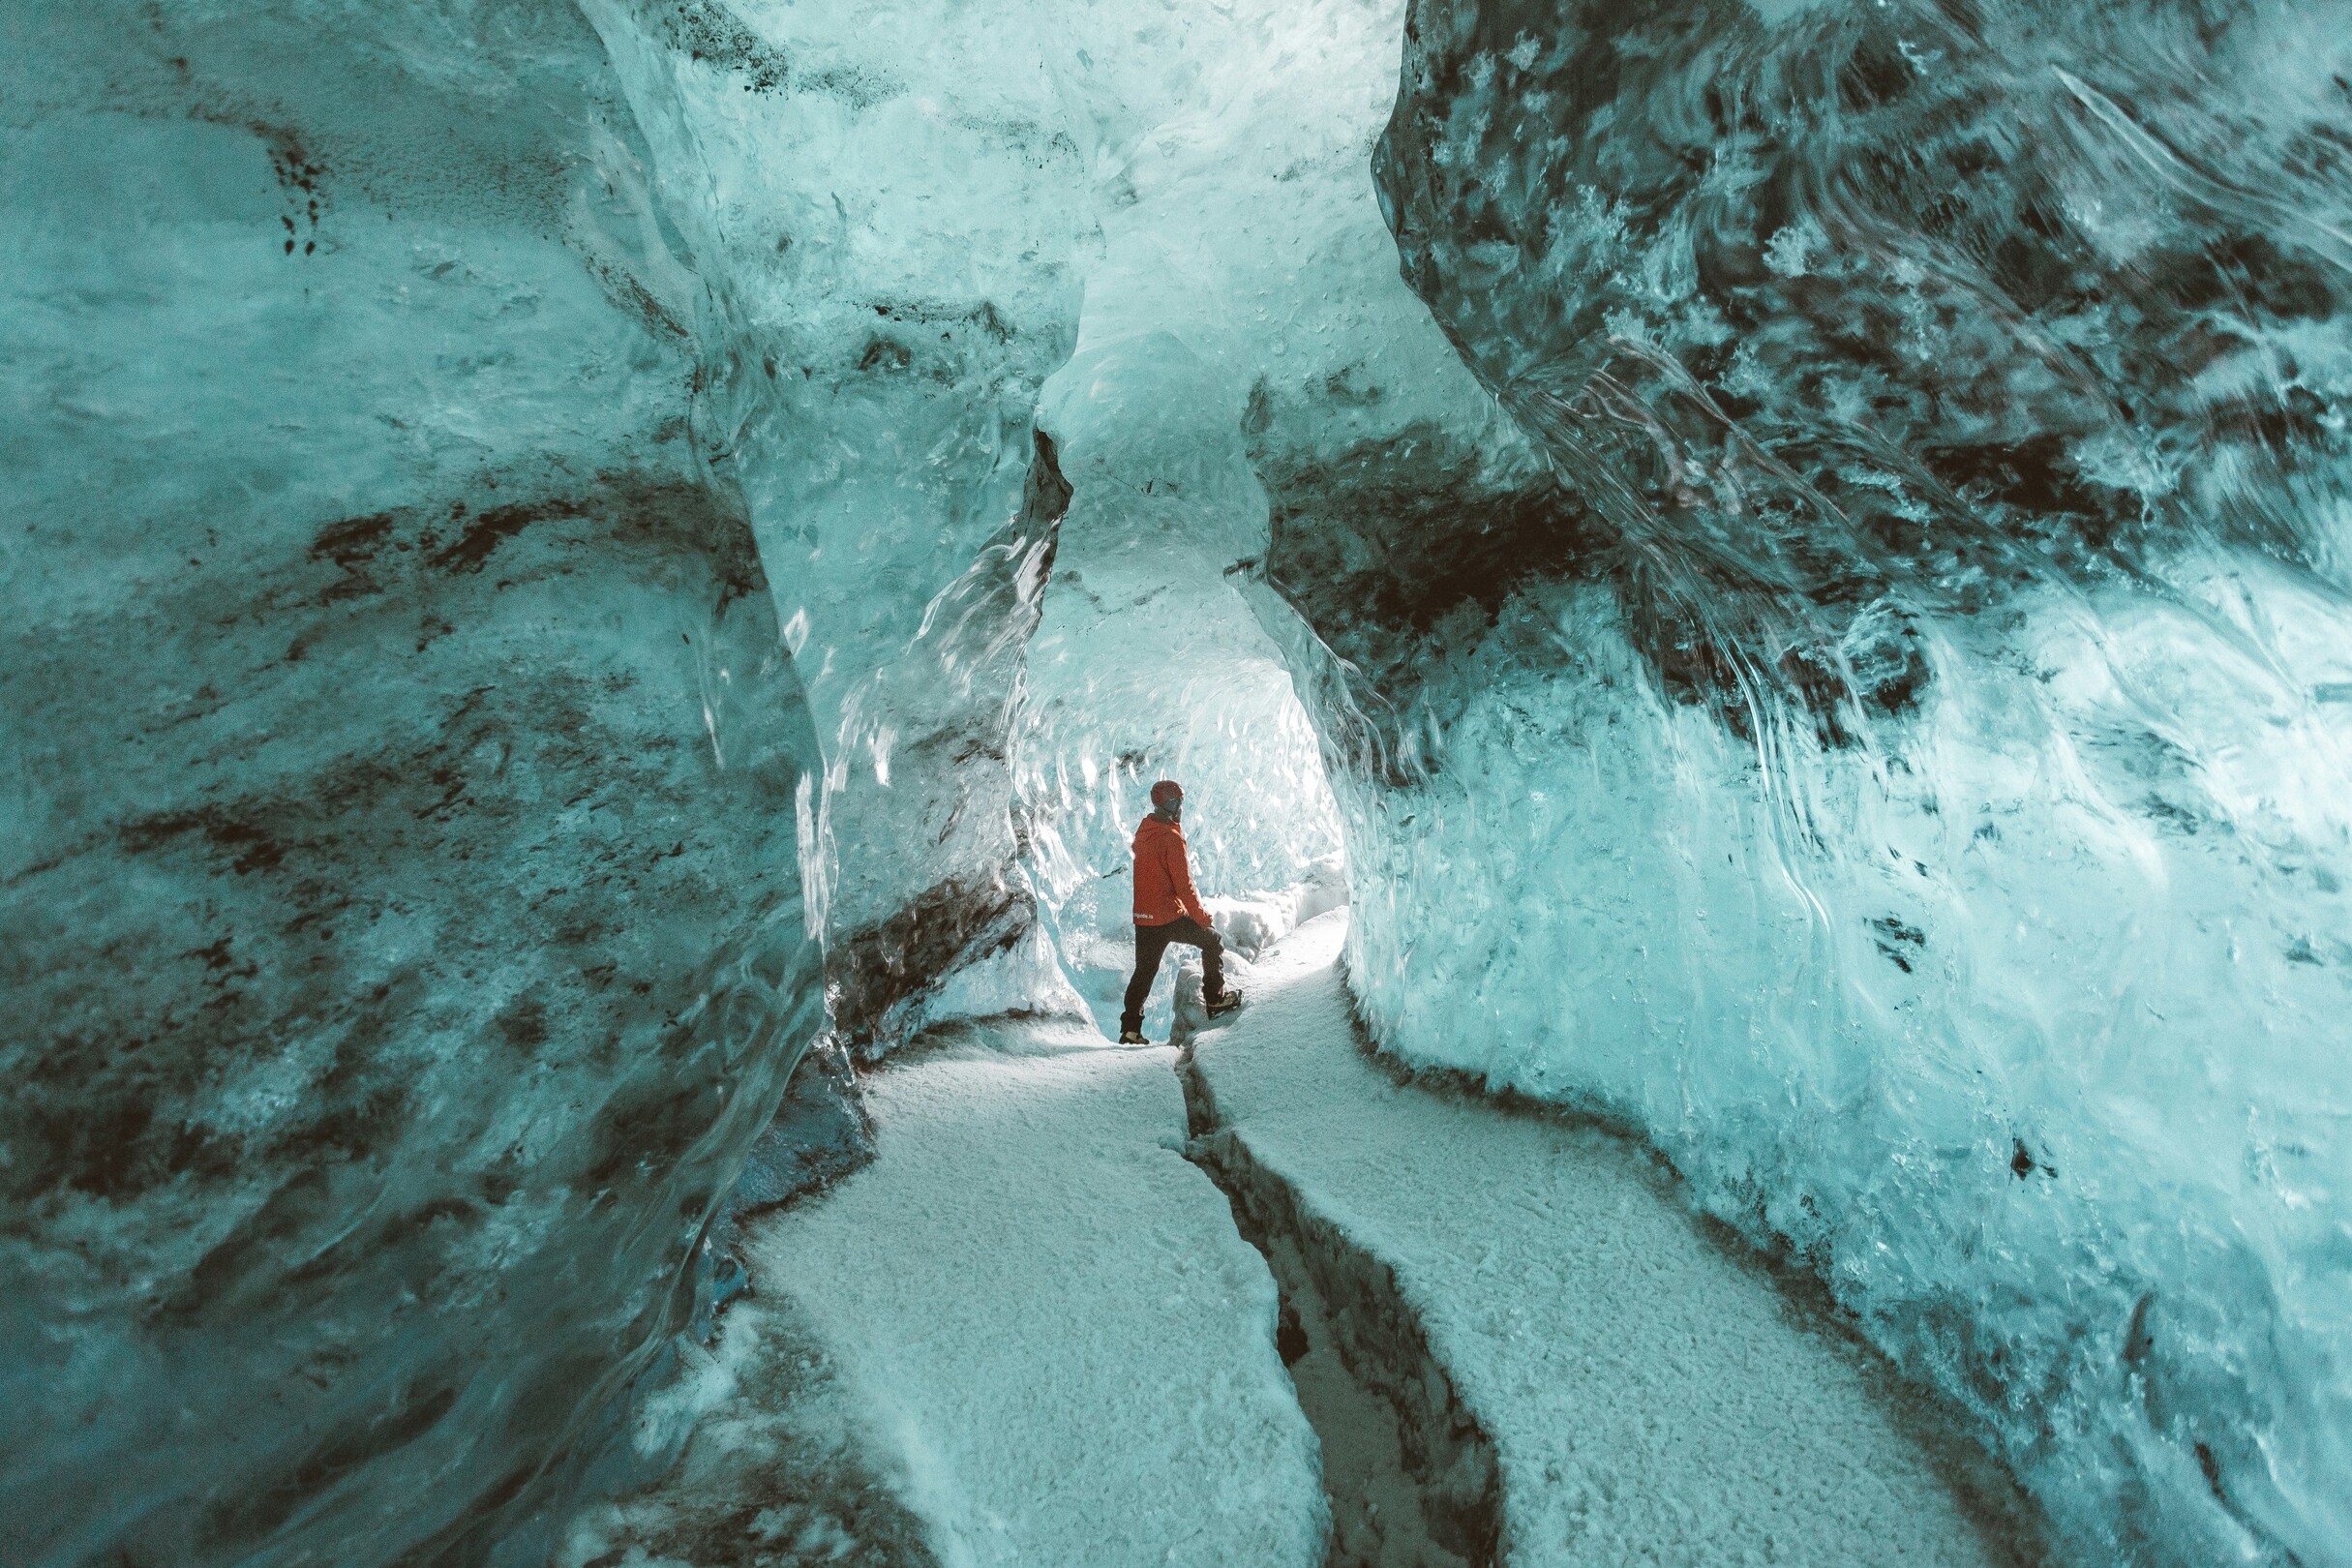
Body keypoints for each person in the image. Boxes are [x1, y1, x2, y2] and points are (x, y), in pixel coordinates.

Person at [1118, 780, 1242, 1044]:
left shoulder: (1144, 832)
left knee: (1144, 971)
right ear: (1172, 806)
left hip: (1143, 918)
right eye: (1179, 804)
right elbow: (1183, 886)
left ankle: (1130, 1030)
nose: (1181, 809)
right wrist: (1202, 919)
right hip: (1168, 917)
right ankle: (1216, 1000)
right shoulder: (1171, 838)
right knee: (1212, 941)